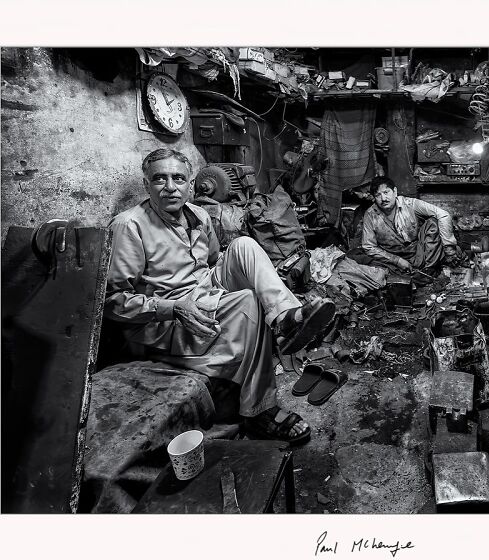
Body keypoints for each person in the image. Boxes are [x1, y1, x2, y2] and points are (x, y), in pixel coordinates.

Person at [104, 148, 336, 445]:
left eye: (178, 178)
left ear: (191, 184)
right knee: (249, 302)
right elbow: (113, 301)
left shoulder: (199, 214)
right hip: (168, 317)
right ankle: (259, 411)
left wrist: (240, 278)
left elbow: (213, 263)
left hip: (203, 291)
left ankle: (286, 318)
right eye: (160, 179)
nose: (170, 187)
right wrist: (172, 308)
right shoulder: (129, 226)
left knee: (244, 245)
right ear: (147, 184)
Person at [361, 177, 461, 275]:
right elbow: (368, 246)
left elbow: (443, 215)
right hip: (391, 258)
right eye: (378, 195)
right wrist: (397, 260)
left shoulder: (409, 204)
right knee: (364, 262)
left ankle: (428, 270)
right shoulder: (370, 215)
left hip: (419, 253)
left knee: (433, 223)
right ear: (374, 198)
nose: (383, 198)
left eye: (386, 192)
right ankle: (413, 276)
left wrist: (449, 249)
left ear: (395, 191)